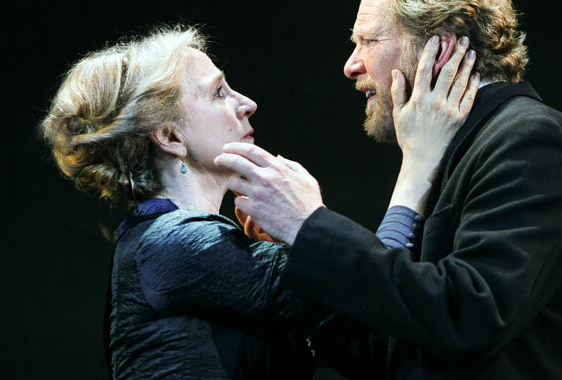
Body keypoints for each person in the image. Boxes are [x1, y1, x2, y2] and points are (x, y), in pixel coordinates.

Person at [215, 0, 562, 379]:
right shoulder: (455, 149)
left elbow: (467, 316)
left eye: (369, 41)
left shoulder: (532, 141)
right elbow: (392, 347)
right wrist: (291, 247)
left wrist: (310, 225)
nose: (350, 65)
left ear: (441, 47)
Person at [41, 24, 479, 379]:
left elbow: (370, 343)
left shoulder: (187, 245)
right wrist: (416, 164)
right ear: (170, 137)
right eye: (218, 93)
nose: (247, 103)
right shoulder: (173, 245)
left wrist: (297, 246)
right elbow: (376, 311)